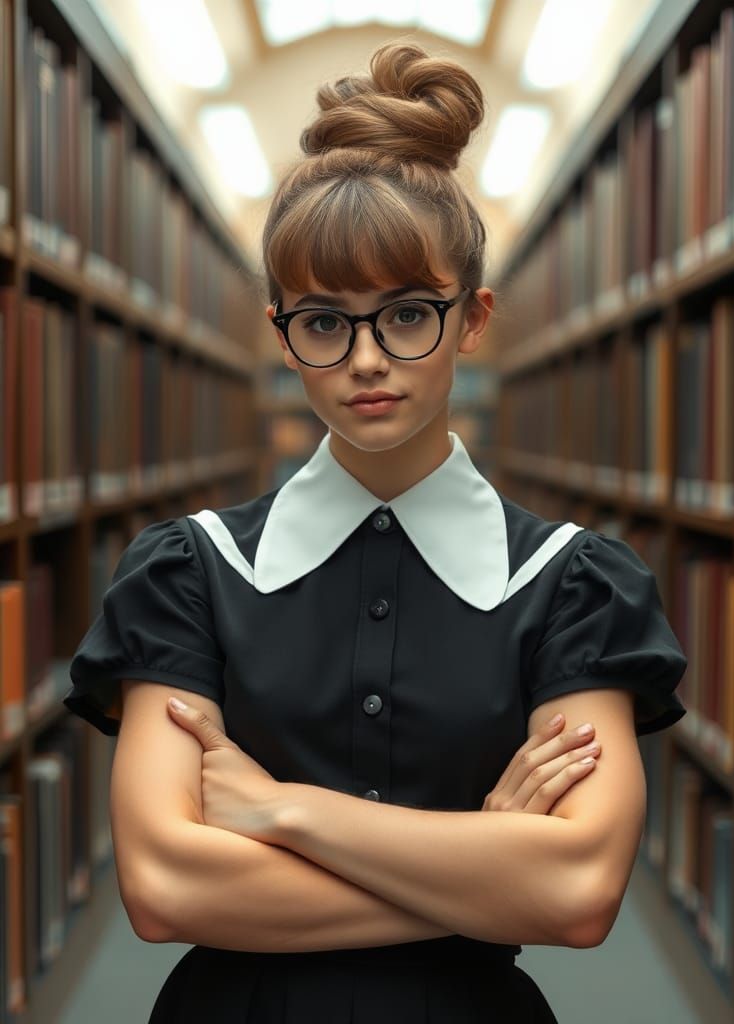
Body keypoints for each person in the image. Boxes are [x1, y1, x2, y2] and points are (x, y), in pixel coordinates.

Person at [63, 40, 688, 1023]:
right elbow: (164, 888)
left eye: (405, 316)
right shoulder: (188, 571)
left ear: (472, 318)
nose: (365, 359)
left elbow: (577, 893)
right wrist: (484, 863)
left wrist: (280, 810)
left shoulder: (573, 583)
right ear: (281, 333)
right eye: (323, 322)